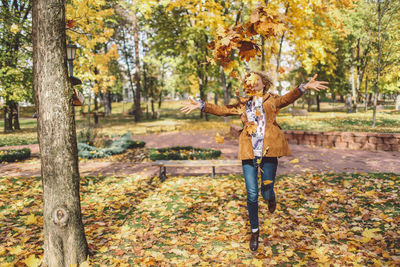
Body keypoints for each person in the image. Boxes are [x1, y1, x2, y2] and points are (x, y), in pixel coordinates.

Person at [180, 71, 328, 251]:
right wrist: (202, 105)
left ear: (264, 83)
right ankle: (255, 231)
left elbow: (288, 98)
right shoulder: (243, 104)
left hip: (269, 152)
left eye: (256, 80)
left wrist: (303, 87)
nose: (252, 83)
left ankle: (271, 196)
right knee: (251, 194)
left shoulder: (272, 100)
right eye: (248, 81)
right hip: (249, 153)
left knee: (266, 191)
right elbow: (223, 110)